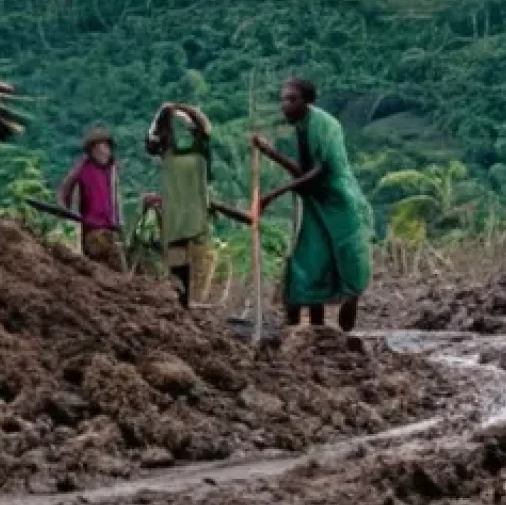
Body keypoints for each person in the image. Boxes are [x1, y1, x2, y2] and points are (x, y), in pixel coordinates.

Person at [252, 77, 372, 332]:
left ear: (307, 101)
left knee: (348, 257)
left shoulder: (325, 126)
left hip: (339, 200)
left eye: (292, 99)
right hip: (316, 202)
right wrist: (269, 152)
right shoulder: (302, 126)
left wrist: (272, 195)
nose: (285, 105)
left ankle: (350, 305)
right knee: (310, 260)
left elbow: (321, 170)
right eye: (283, 99)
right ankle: (315, 330)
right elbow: (301, 173)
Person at [145, 103, 251, 308]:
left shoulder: (201, 145)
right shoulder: (166, 148)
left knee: (196, 258)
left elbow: (205, 126)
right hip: (177, 210)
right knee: (177, 257)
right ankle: (180, 300)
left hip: (195, 209)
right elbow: (150, 141)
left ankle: (186, 299)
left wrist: (181, 109)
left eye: (186, 126)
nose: (182, 130)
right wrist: (161, 114)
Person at [58, 126, 124, 272]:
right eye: (99, 148)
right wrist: (64, 206)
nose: (103, 151)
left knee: (117, 268)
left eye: (106, 147)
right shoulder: (83, 167)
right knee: (98, 266)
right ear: (92, 151)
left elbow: (117, 200)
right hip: (92, 229)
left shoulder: (112, 169)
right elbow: (65, 187)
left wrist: (119, 223)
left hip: (111, 229)